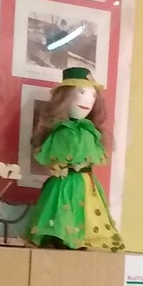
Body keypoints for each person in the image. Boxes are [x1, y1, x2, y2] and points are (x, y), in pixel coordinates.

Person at [27, 66, 125, 252]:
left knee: (86, 212)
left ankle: (79, 238)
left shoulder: (89, 131)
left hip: (86, 183)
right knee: (63, 209)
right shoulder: (62, 131)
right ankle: (61, 237)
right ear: (65, 97)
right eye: (81, 92)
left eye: (93, 95)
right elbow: (54, 156)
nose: (88, 100)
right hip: (64, 182)